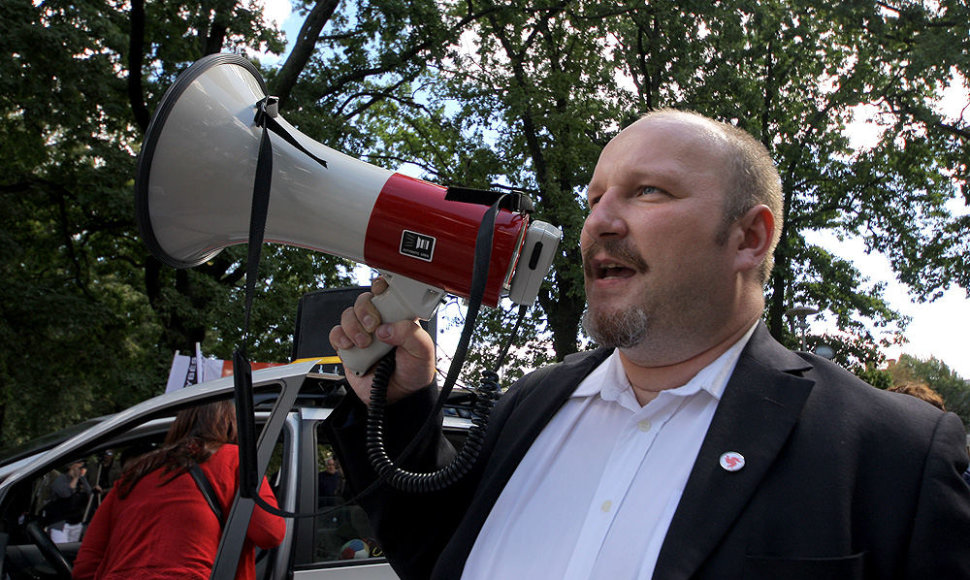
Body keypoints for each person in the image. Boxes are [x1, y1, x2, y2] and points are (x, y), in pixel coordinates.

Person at [325, 109, 970, 579]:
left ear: (749, 238)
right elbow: (431, 552)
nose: (598, 222)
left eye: (647, 191)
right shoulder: (528, 405)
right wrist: (403, 402)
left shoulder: (895, 455)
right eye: (595, 198)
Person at [72, 400, 286, 579]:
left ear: (180, 423)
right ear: (230, 424)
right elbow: (270, 534)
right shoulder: (235, 461)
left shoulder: (138, 471)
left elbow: (87, 564)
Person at [44, 459, 96, 543]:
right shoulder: (60, 479)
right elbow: (65, 494)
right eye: (79, 463)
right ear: (71, 466)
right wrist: (75, 478)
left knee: (70, 550)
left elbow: (89, 493)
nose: (81, 466)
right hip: (61, 524)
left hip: (76, 523)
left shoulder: (82, 479)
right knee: (62, 547)